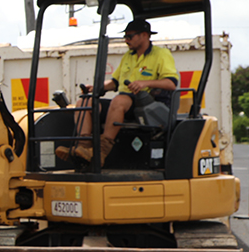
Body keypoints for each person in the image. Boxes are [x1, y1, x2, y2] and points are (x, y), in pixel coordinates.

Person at [56, 19, 178, 163]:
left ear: (144, 35)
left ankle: (101, 151)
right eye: (125, 37)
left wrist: (144, 83)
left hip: (148, 105)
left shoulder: (161, 54)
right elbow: (115, 82)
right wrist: (97, 87)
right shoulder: (128, 56)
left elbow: (171, 83)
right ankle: (82, 147)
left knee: (119, 100)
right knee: (85, 101)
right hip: (125, 103)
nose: (126, 40)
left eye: (130, 36)